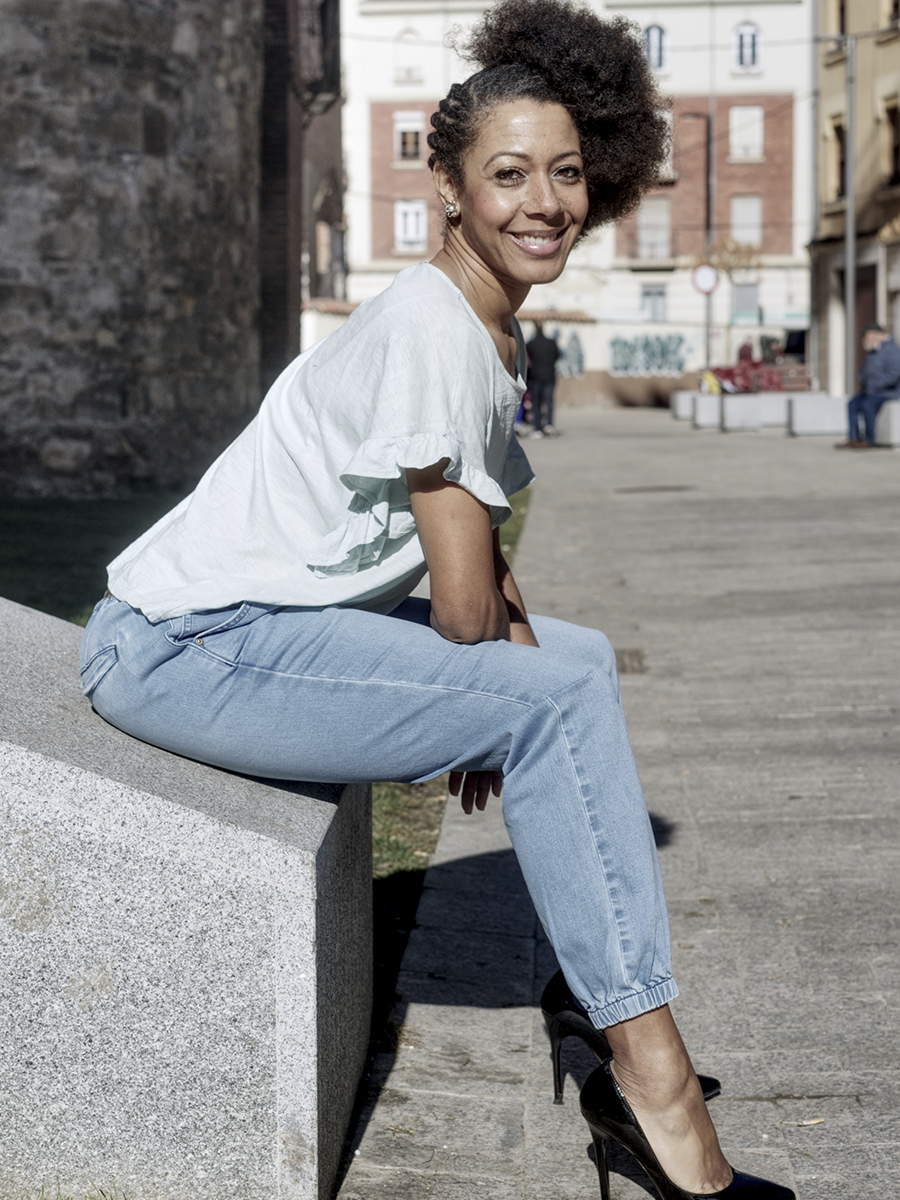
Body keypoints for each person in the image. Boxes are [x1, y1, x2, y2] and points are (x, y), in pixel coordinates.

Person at [79, 2, 794, 1196]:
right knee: (549, 701)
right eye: (508, 174)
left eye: (566, 172)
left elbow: (492, 564)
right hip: (183, 648)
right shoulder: (434, 331)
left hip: (250, 630)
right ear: (450, 187)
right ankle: (654, 1086)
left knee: (576, 662)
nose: (544, 202)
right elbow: (465, 616)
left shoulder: (477, 322)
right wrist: (485, 696)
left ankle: (586, 996)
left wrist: (497, 671)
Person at [836, 323, 900, 449]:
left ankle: (868, 439)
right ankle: (853, 438)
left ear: (878, 335)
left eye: (868, 337)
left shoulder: (893, 351)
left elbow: (893, 375)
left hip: (886, 392)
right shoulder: (874, 351)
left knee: (867, 405)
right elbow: (866, 369)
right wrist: (862, 377)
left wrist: (874, 385)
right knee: (852, 404)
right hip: (871, 390)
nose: (866, 341)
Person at [526, 320, 560, 436]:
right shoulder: (551, 343)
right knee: (549, 401)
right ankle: (549, 425)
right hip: (549, 375)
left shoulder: (531, 344)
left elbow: (528, 359)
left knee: (536, 403)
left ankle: (538, 428)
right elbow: (557, 356)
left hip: (535, 377)